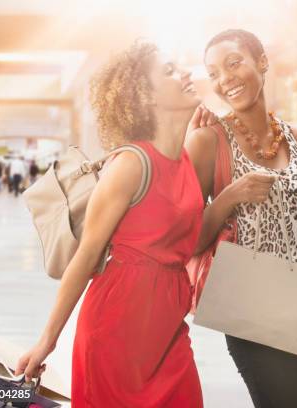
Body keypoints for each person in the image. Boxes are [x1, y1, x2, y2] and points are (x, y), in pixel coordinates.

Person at [15, 41, 216, 408]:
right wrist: (47, 340)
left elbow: (189, 238)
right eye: (168, 71)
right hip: (117, 326)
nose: (185, 73)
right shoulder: (131, 164)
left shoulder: (186, 160)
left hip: (169, 327)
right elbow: (86, 255)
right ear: (145, 96)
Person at [186, 29, 297, 408]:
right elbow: (189, 239)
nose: (224, 79)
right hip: (253, 307)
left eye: (234, 63)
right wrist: (232, 195)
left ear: (262, 62)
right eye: (213, 73)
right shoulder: (208, 141)